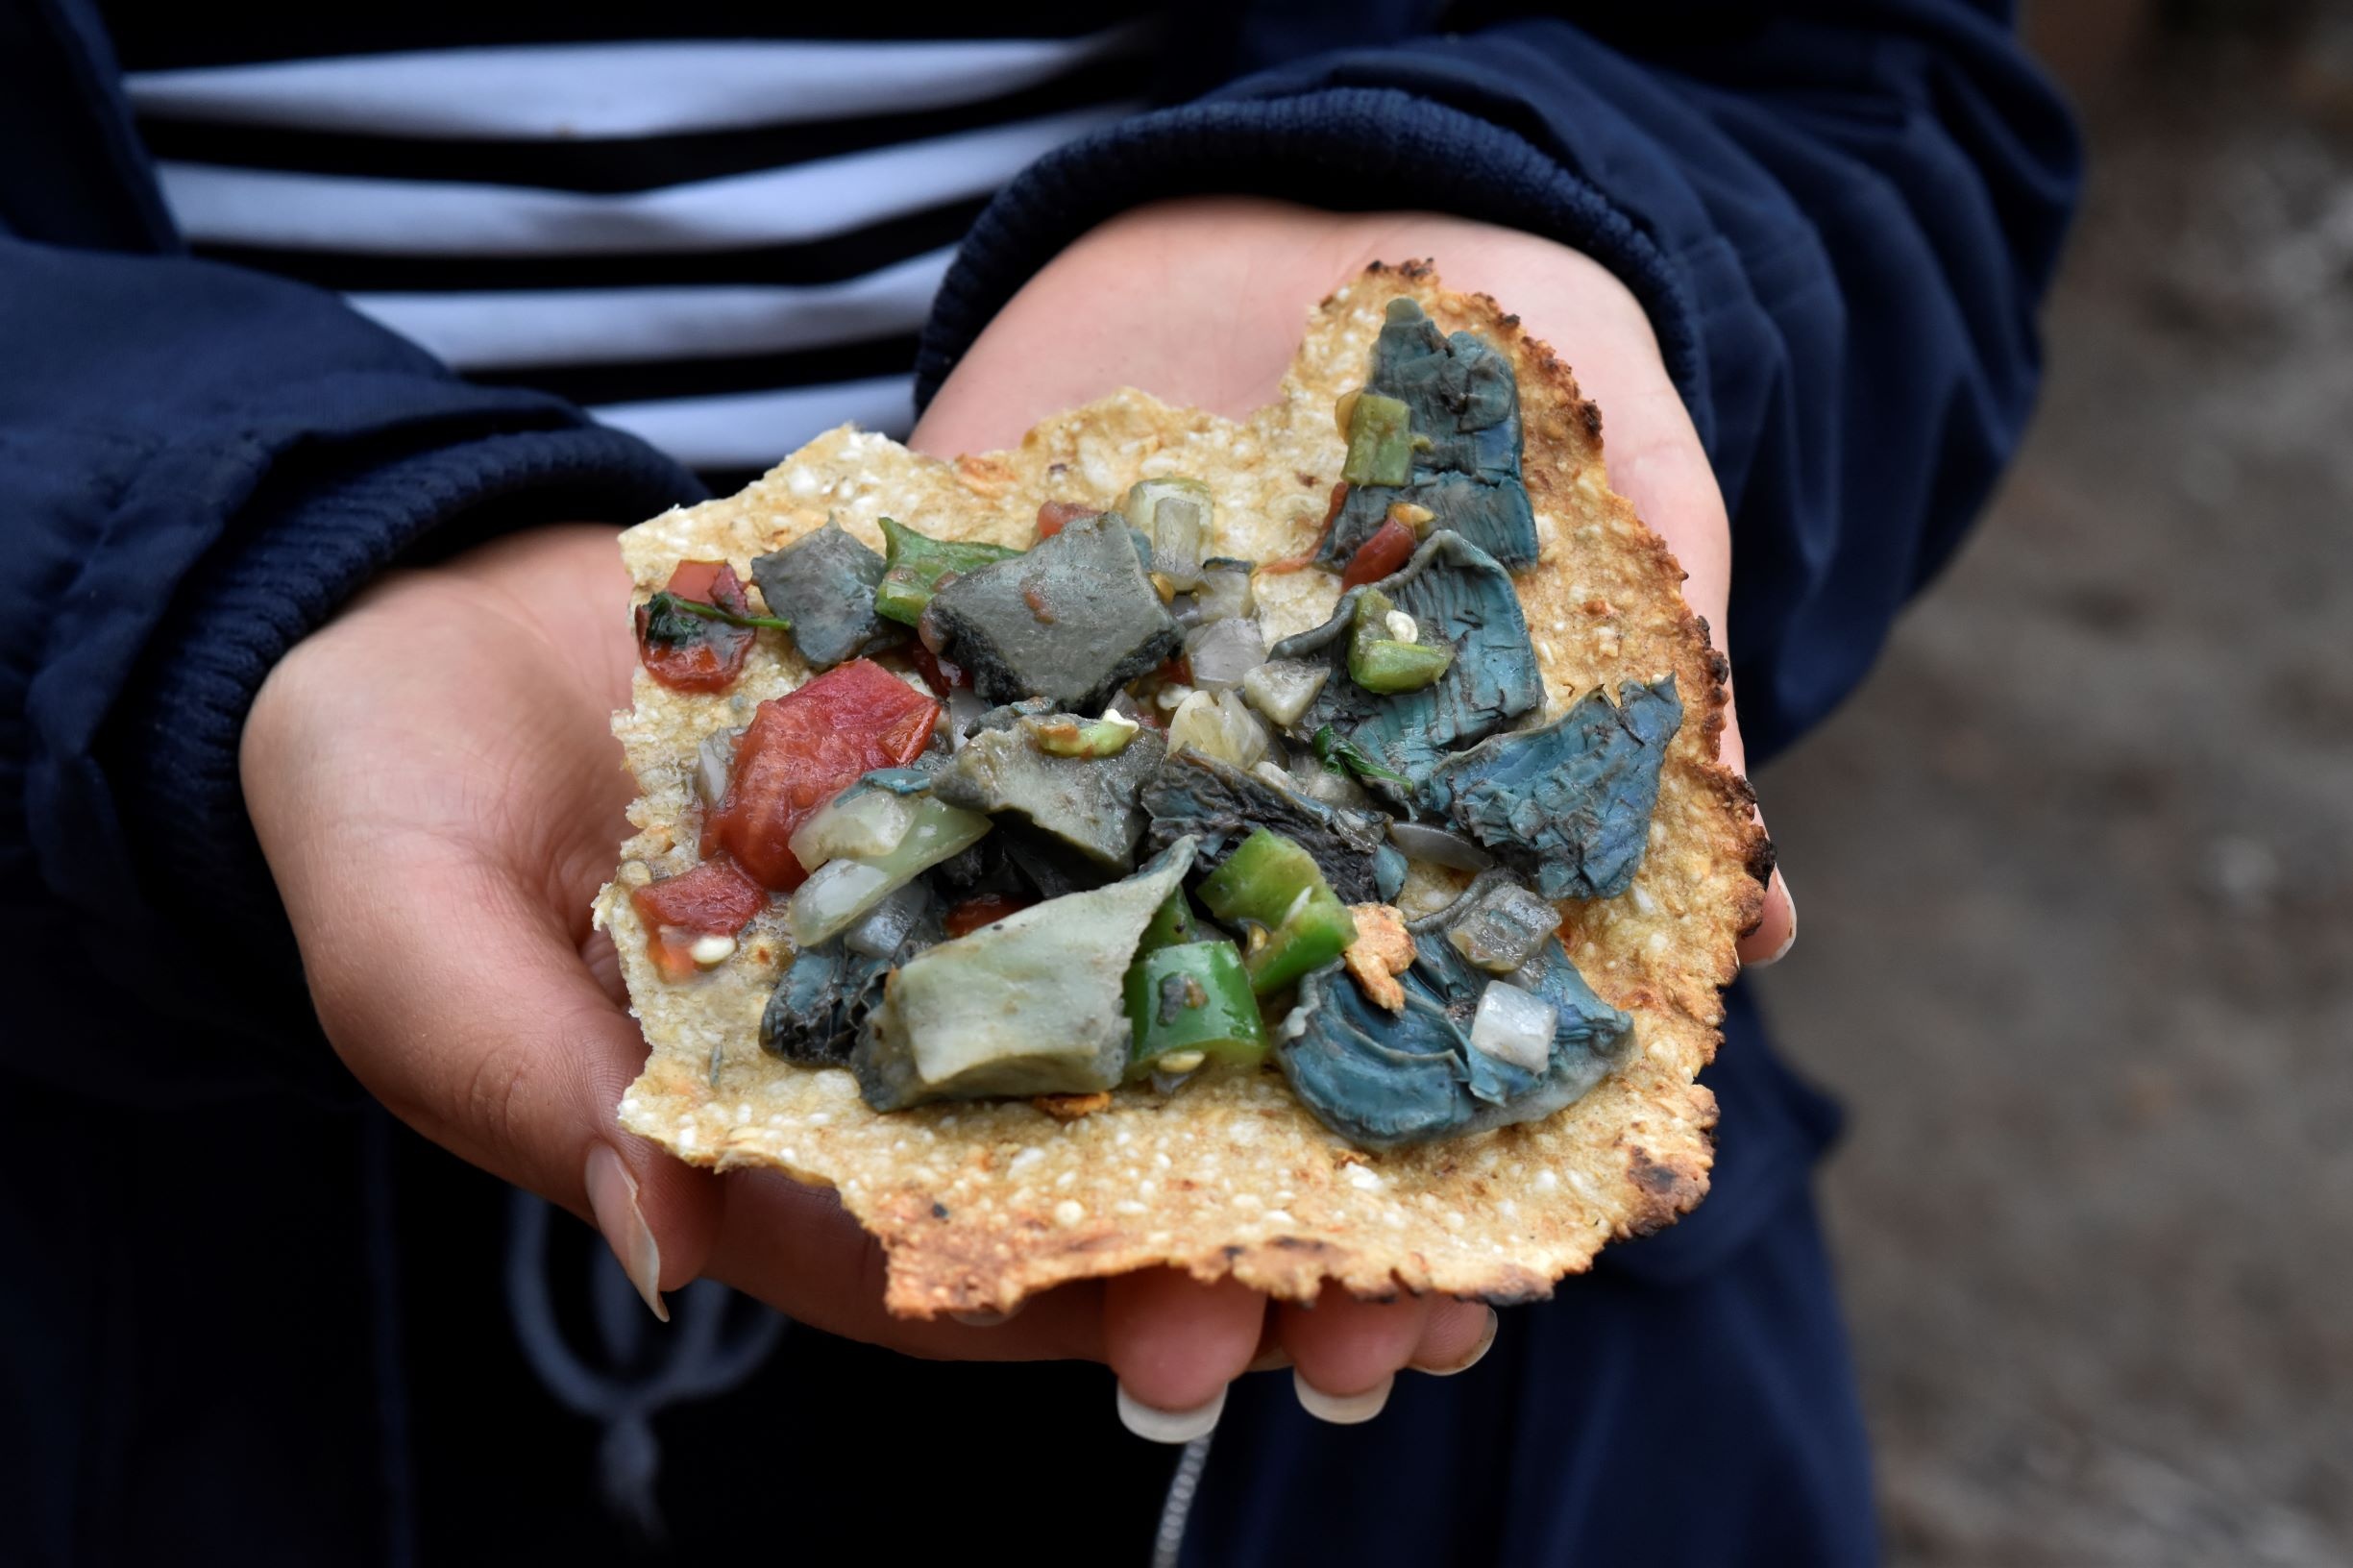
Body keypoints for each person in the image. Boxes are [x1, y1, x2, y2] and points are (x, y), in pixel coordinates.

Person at [0, 2, 2076, 1563]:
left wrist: (1530, 193)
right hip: (111, 1255)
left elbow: (1867, 84)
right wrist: (189, 576)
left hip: (1479, 1459)